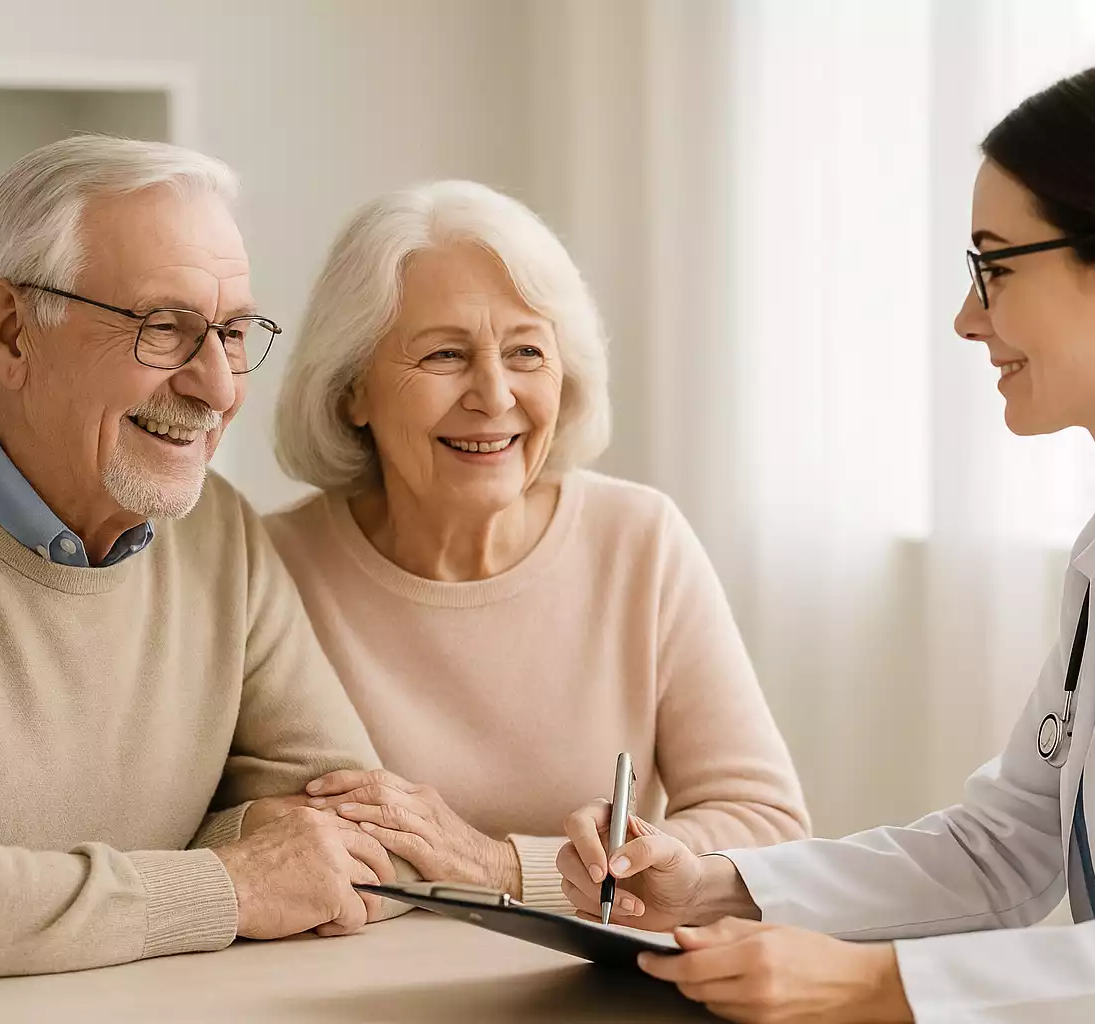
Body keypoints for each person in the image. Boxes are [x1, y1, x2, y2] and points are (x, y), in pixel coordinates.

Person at [555, 60, 1095, 1024]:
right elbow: (1009, 845)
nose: (967, 317)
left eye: (995, 266)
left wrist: (868, 984)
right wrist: (713, 885)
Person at [0, 136, 409, 987]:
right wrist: (228, 882)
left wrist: (7, 894)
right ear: (11, 332)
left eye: (234, 331)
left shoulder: (220, 532)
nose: (217, 388)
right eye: (164, 329)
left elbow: (364, 842)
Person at [264, 180, 809, 910]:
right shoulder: (270, 568)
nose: (495, 395)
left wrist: (505, 867)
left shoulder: (639, 541)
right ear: (351, 389)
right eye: (445, 355)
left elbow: (768, 825)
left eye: (526, 351)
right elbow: (255, 832)